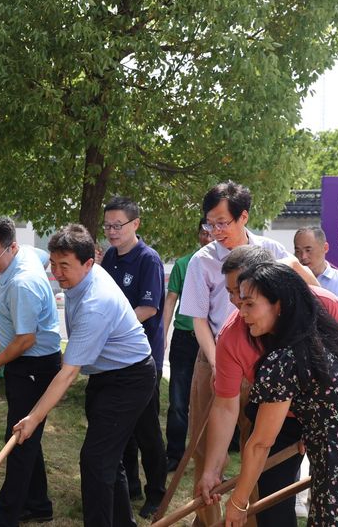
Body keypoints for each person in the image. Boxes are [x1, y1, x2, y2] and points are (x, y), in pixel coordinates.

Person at [196, 245, 338, 527]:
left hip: (330, 419)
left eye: (246, 296)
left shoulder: (325, 307)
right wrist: (212, 469)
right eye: (232, 293)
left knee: (335, 502)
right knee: (272, 505)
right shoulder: (232, 336)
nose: (236, 303)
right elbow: (225, 407)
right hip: (279, 418)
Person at [222, 262, 338, 527]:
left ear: (279, 304)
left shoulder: (284, 360)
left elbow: (260, 443)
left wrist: (238, 502)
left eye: (250, 304)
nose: (242, 313)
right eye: (240, 304)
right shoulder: (329, 338)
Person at [14, 224, 154, 527]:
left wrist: (34, 418)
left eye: (64, 266)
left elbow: (68, 374)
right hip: (106, 375)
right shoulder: (83, 277)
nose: (57, 273)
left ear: (89, 263)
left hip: (129, 379)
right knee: (106, 460)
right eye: (53, 264)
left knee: (96, 461)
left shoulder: (96, 303)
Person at [179, 181, 290, 525]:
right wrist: (216, 362)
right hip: (213, 357)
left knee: (256, 445)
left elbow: (302, 290)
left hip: (262, 364)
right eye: (209, 224)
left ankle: (246, 517)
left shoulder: (271, 251)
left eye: (222, 223)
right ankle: (209, 521)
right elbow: (199, 320)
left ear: (243, 217)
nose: (215, 232)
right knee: (206, 450)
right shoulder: (202, 261)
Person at [0, 216, 62, 526]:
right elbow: (45, 257)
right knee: (26, 434)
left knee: (19, 441)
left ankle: (4, 519)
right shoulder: (30, 254)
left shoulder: (23, 282)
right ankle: (38, 505)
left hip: (34, 364)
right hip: (26, 360)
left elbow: (25, 340)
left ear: (12, 247)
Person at [100, 196, 167, 517]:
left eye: (118, 225)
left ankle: (157, 493)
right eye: (107, 226)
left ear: (135, 224)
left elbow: (149, 308)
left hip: (143, 360)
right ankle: (131, 486)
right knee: (121, 428)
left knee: (147, 429)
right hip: (115, 358)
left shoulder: (148, 259)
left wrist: (112, 327)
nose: (112, 232)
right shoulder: (109, 258)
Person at [163, 218, 213, 472]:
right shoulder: (184, 264)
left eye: (212, 232)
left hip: (212, 341)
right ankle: (174, 454)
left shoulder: (224, 263)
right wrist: (163, 335)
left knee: (212, 401)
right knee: (178, 399)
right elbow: (171, 300)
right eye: (204, 232)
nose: (208, 237)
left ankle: (210, 456)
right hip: (184, 338)